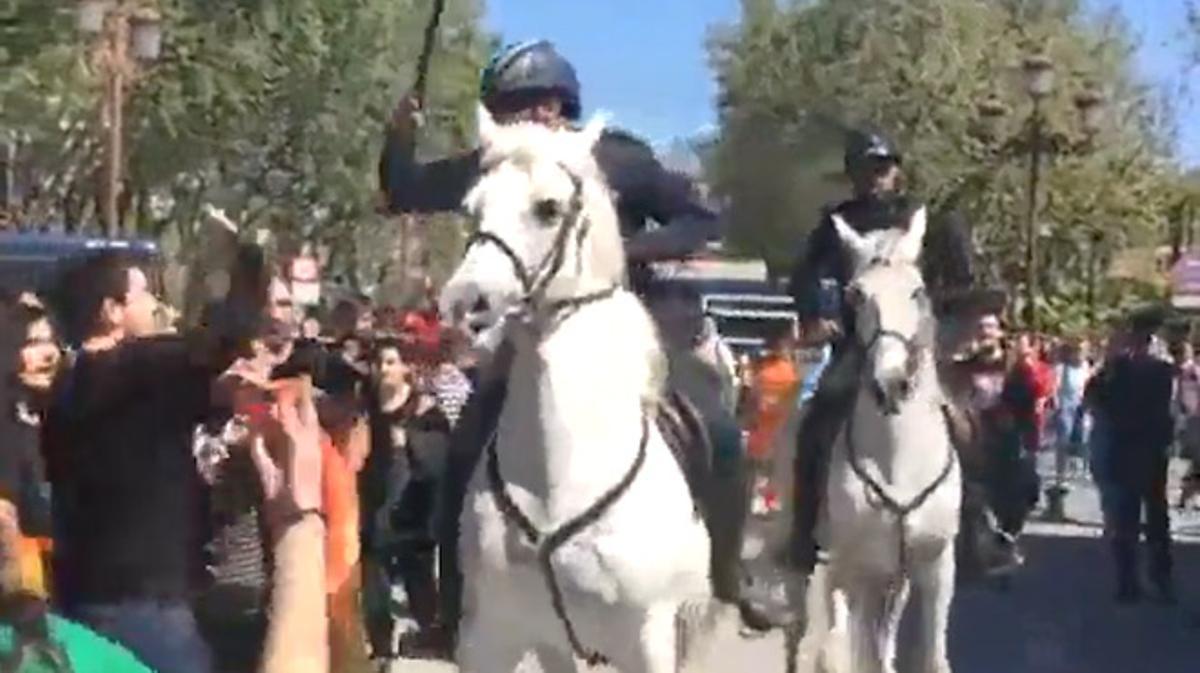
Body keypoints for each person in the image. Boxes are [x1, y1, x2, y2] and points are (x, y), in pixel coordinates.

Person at [378, 39, 759, 641]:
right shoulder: (495, 165)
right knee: (464, 447)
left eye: (530, 104)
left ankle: (730, 575)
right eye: (506, 108)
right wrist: (402, 131)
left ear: (560, 104)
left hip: (633, 320)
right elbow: (404, 190)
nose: (519, 118)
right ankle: (455, 608)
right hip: (528, 332)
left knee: (713, 422)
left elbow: (700, 220)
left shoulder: (617, 157)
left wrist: (618, 250)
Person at [40, 246, 267, 673]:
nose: (156, 306)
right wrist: (248, 264)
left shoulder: (67, 385)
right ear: (112, 310)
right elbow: (225, 339)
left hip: (81, 593)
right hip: (146, 605)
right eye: (144, 294)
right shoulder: (140, 367)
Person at [784, 128, 975, 574]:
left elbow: (961, 278)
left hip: (921, 345)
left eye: (884, 166)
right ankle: (805, 530)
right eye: (867, 168)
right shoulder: (834, 223)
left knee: (969, 423)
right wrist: (819, 310)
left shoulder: (924, 218)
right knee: (818, 418)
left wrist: (945, 319)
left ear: (897, 170)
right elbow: (806, 278)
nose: (876, 177)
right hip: (859, 344)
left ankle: (977, 528)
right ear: (852, 174)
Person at [361, 339, 452, 661]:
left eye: (389, 362)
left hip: (412, 510)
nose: (382, 369)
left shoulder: (424, 409)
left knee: (419, 579)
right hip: (373, 507)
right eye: (378, 363)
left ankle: (431, 637)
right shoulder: (364, 408)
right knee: (375, 585)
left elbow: (439, 459)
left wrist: (409, 442)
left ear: (404, 369)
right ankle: (382, 648)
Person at [1089, 315, 1176, 603]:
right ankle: (1145, 580)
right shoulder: (1159, 370)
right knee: (1144, 519)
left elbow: (1094, 399)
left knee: (1141, 519)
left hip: (1135, 449)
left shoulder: (1126, 369)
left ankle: (1138, 581)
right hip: (1141, 450)